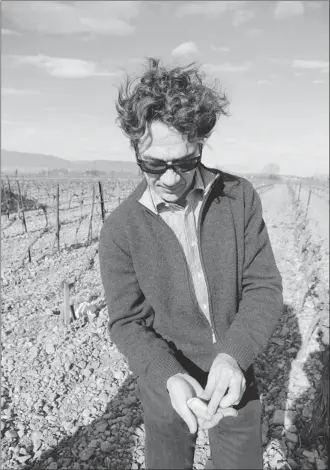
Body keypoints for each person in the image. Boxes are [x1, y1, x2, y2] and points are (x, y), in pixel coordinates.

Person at [99, 58, 283, 470]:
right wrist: (168, 375)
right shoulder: (120, 229)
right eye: (153, 164)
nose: (169, 178)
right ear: (135, 149)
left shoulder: (239, 198)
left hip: (235, 374)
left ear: (201, 142)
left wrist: (233, 355)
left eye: (184, 162)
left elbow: (264, 288)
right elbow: (126, 322)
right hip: (167, 380)